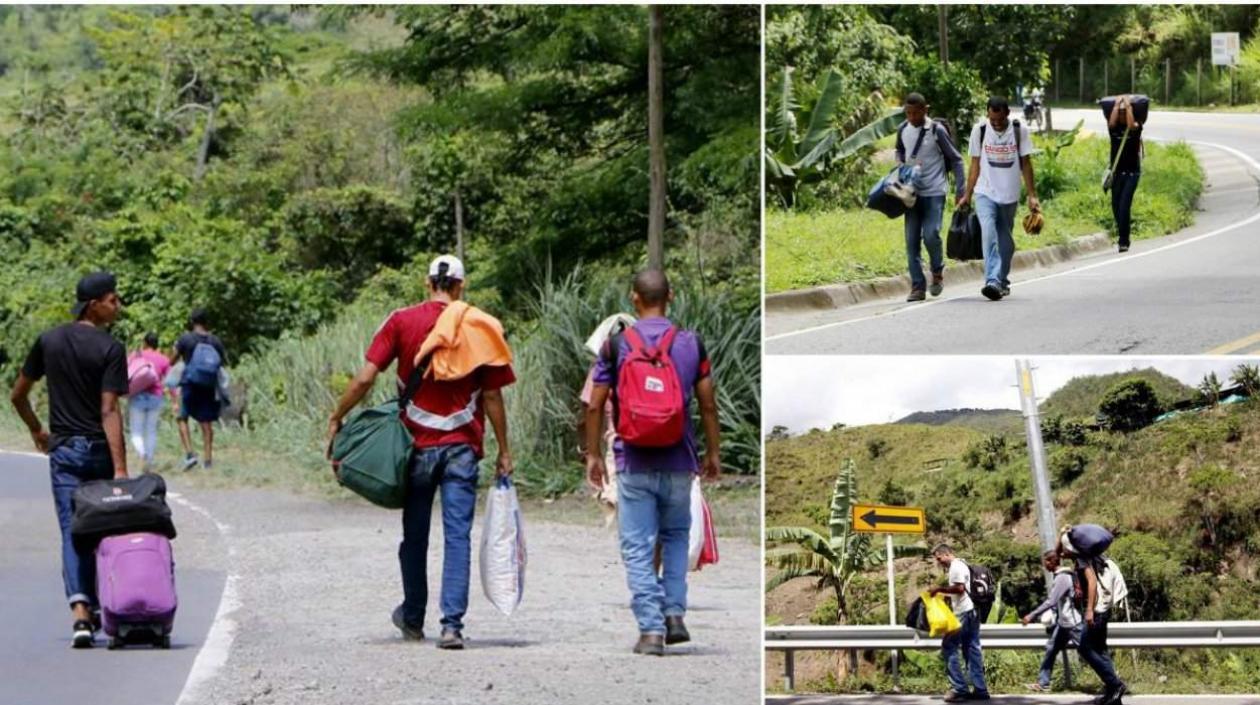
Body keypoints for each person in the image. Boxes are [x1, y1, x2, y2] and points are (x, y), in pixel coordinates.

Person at [327, 254, 514, 650]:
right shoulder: (478, 325)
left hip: (414, 448)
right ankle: (452, 626)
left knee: (415, 535)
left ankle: (413, 617)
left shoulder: (400, 320)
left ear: (427, 283)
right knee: (458, 536)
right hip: (463, 447)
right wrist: (504, 449)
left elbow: (364, 378)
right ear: (461, 287)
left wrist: (337, 415)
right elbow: (493, 396)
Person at [583, 269, 722, 656]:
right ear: (671, 296)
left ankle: (650, 631)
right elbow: (708, 405)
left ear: (634, 299)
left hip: (634, 462)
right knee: (676, 537)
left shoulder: (615, 345)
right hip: (680, 460)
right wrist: (712, 452)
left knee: (637, 547)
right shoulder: (691, 343)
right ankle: (675, 612)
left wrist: (594, 454)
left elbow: (594, 404)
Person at [8, 271, 129, 648]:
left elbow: (17, 395)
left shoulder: (49, 340)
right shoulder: (110, 348)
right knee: (103, 530)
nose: (117, 305)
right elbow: (109, 411)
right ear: (94, 305)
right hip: (97, 452)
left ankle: (80, 613)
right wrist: (121, 468)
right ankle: (105, 607)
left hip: (63, 453)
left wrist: (36, 431)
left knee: (71, 529)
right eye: (112, 299)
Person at [957, 96, 1041, 301]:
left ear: (1007, 114)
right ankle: (992, 280)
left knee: (1006, 242)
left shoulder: (1019, 131)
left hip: (1009, 194)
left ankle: (1002, 280)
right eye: (992, 120)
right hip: (984, 192)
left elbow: (1026, 164)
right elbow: (975, 164)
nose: (996, 124)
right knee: (988, 233)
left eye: (1000, 120)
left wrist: (1032, 195)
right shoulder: (980, 130)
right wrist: (967, 195)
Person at [897, 92, 965, 302]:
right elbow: (899, 150)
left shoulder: (936, 130)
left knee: (931, 234)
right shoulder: (902, 129)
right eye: (908, 113)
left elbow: (956, 159)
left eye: (916, 113)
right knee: (911, 241)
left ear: (926, 110)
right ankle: (918, 286)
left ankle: (937, 270)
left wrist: (961, 190)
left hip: (935, 191)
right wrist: (901, 164)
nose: (912, 117)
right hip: (911, 193)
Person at [1061, 540, 1129, 704]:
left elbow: (1092, 583)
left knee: (1085, 648)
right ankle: (1113, 694)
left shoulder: (1083, 560)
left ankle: (1116, 684)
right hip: (1101, 610)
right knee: (1100, 650)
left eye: (1065, 547)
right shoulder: (1087, 558)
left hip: (1096, 611)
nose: (1062, 551)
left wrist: (1090, 610)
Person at [928, 544, 990, 702]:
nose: (939, 562)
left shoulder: (955, 566)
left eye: (939, 558)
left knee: (948, 647)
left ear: (947, 554)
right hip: (974, 610)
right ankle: (980, 689)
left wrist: (939, 590)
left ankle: (959, 689)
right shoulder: (963, 564)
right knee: (972, 648)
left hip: (964, 612)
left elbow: (960, 588)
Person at [171, 308, 227, 470]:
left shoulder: (185, 339)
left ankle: (190, 454)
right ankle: (208, 460)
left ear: (192, 322)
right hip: (209, 386)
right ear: (206, 322)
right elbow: (221, 362)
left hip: (189, 384)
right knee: (206, 422)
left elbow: (171, 360)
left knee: (182, 418)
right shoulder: (215, 341)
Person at [1021, 550, 1083, 692]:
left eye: (1046, 562)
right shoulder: (1062, 576)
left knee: (1090, 652)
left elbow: (1051, 601)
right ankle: (1043, 683)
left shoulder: (1062, 578)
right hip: (1063, 624)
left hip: (1073, 624)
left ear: (1052, 562)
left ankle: (1112, 680)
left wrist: (1031, 616)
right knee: (1051, 649)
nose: (1045, 566)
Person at [128, 332, 171, 471]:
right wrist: (175, 400)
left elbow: (125, 372)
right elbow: (170, 381)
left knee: (136, 431)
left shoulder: (135, 355)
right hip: (155, 397)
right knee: (151, 430)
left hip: (137, 396)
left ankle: (142, 454)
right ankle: (150, 459)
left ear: (145, 343)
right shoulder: (163, 359)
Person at [1107, 94, 1143, 253]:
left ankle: (1123, 240)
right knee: (1115, 206)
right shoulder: (1114, 130)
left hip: (1132, 173)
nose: (1121, 115)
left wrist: (1127, 106)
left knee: (1124, 206)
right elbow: (1111, 122)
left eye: (1124, 113)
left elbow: (1131, 124)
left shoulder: (1136, 127)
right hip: (1117, 173)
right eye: (1120, 113)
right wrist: (1116, 105)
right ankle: (1123, 232)